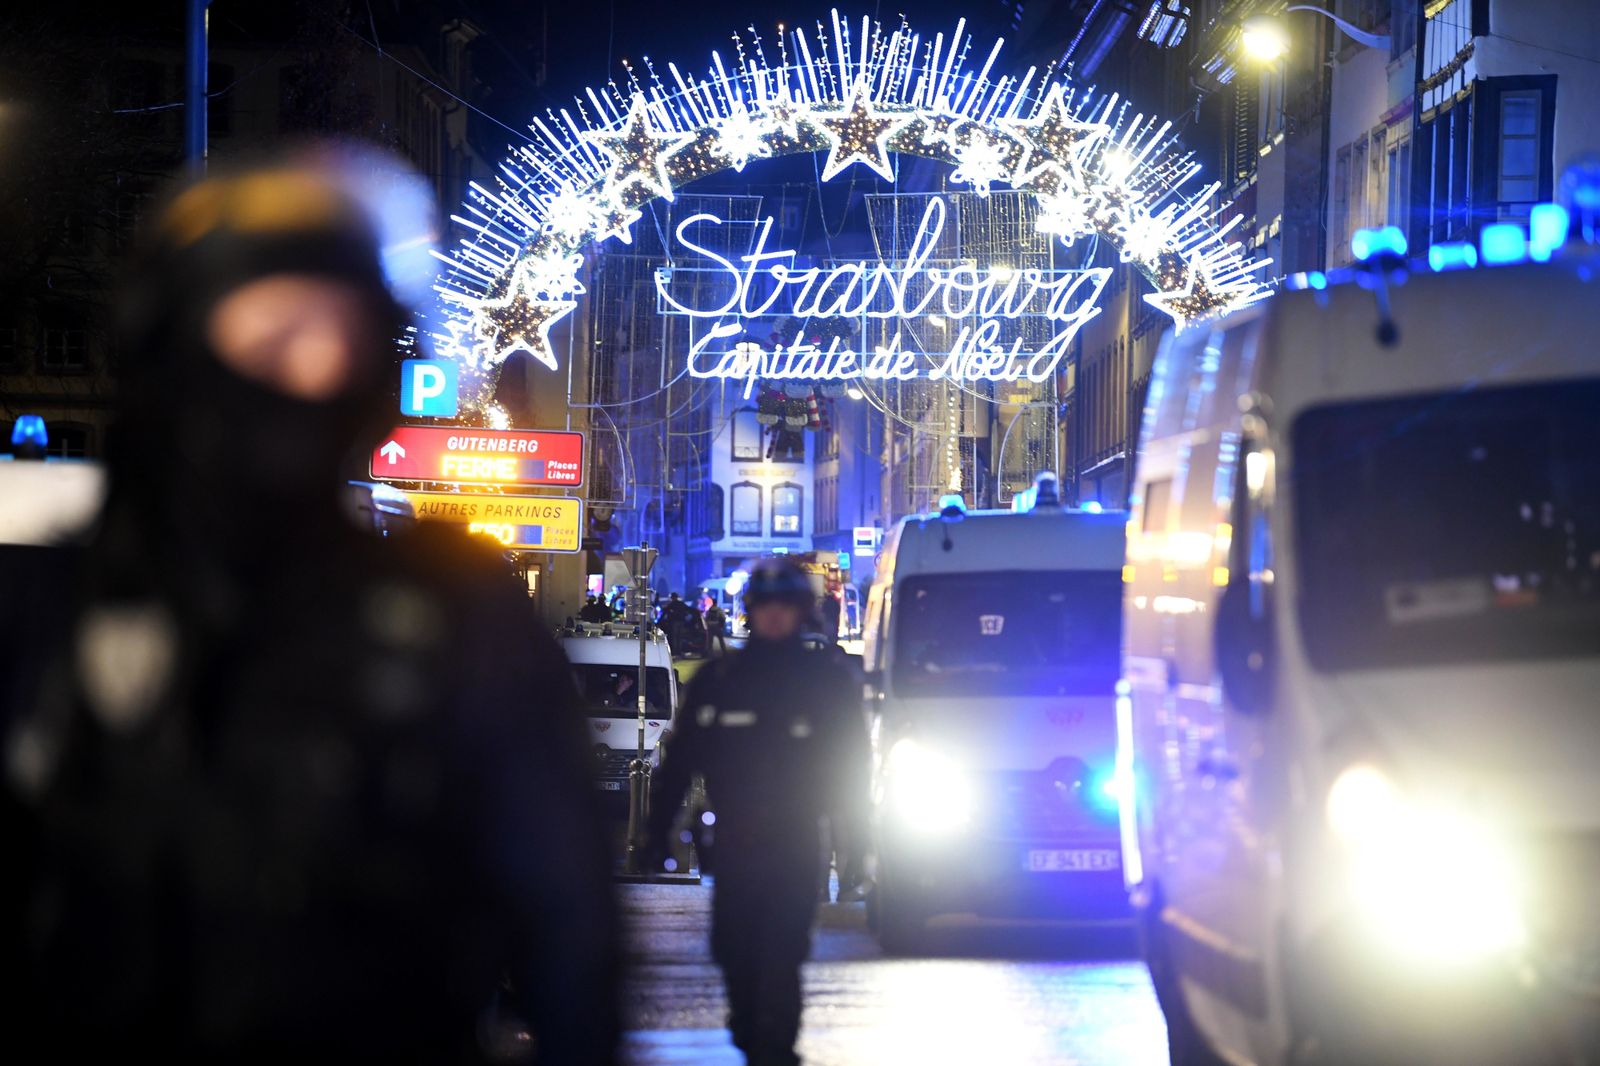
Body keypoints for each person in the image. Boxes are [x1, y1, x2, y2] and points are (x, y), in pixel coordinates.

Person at [2, 158, 619, 1064]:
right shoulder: (60, 604)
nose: (313, 369)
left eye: (345, 338)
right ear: (176, 343)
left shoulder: (451, 609)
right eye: (274, 334)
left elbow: (566, 917)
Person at [647, 556, 869, 1066]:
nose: (774, 616)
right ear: (750, 611)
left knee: (785, 947)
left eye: (784, 606)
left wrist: (857, 845)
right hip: (735, 836)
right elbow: (680, 762)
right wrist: (659, 833)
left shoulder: (826, 682)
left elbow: (852, 767)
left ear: (801, 612)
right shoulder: (720, 680)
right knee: (734, 946)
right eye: (764, 606)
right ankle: (748, 1026)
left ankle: (778, 1046)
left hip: (796, 837)